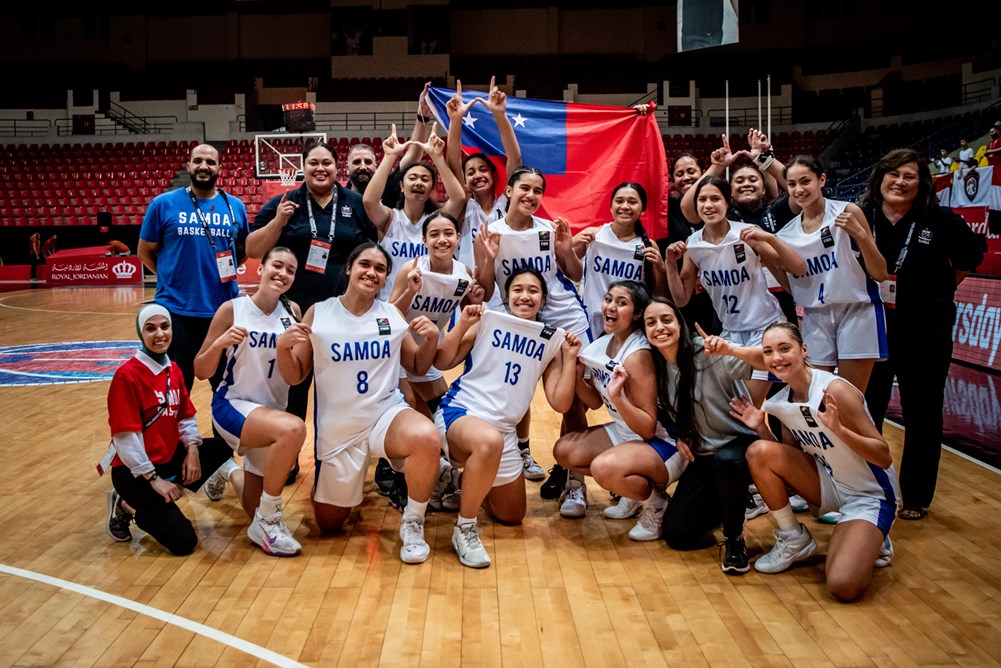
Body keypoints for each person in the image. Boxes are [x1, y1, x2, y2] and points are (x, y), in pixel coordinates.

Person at [275, 243, 442, 564]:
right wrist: (283, 349)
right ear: (349, 268)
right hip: (339, 431)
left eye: (380, 269)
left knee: (427, 437)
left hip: (385, 416)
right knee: (329, 523)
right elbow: (295, 375)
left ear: (385, 279)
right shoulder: (319, 312)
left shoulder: (391, 315)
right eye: (365, 264)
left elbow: (417, 366)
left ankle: (413, 521)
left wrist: (431, 340)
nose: (372, 272)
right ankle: (359, 480)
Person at [708, 321, 898, 601]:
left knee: (842, 586)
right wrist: (760, 428)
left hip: (869, 495)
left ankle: (873, 536)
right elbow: (787, 464)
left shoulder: (834, 391)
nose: (777, 358)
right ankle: (794, 538)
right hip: (829, 487)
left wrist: (840, 430)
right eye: (768, 352)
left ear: (804, 350)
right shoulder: (781, 403)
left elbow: (883, 456)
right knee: (758, 450)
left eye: (785, 348)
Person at [859, 148, 983, 521]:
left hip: (926, 330)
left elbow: (969, 260)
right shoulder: (862, 216)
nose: (900, 182)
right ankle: (867, 490)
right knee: (866, 410)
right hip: (871, 329)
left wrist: (937, 292)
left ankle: (915, 496)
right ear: (880, 178)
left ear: (922, 183)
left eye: (909, 176)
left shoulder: (941, 220)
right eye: (893, 174)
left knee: (923, 413)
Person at [434, 267, 581, 567]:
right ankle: (465, 528)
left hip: (503, 433)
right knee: (488, 442)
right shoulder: (486, 320)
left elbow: (560, 403)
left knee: (512, 515)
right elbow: (442, 361)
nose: (525, 296)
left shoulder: (551, 340)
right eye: (518, 289)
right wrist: (462, 325)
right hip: (461, 413)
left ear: (543, 300)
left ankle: (456, 479)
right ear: (507, 295)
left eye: (533, 291)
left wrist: (570, 360)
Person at [248, 139, 375, 482]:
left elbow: (373, 250)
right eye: (313, 163)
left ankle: (339, 458)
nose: (320, 169)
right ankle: (287, 458)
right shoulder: (285, 203)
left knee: (340, 392)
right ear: (302, 168)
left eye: (326, 163)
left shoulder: (356, 204)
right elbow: (252, 249)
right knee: (294, 388)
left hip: (344, 316)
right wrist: (278, 222)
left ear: (337, 168)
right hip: (295, 314)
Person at [475, 167, 592, 501]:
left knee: (572, 400)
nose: (531, 195)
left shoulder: (548, 230)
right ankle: (516, 454)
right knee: (512, 392)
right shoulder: (489, 232)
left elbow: (574, 273)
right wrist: (489, 260)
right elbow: (485, 290)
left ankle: (573, 479)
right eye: (524, 188)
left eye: (538, 190)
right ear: (509, 191)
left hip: (560, 315)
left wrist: (566, 248)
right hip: (515, 318)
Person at [192, 246, 306, 557]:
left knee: (251, 509)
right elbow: (201, 371)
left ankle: (227, 469)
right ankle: (270, 520)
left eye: (290, 270)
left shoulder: (293, 313)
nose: (282, 274)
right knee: (294, 429)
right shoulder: (232, 309)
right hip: (232, 404)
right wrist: (219, 344)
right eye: (277, 266)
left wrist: (284, 349)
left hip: (270, 415)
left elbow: (295, 377)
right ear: (261, 268)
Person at [553, 281, 688, 540]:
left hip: (664, 442)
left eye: (621, 303)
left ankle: (657, 506)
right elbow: (595, 402)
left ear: (637, 314)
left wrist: (618, 397)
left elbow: (647, 428)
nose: (611, 307)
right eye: (608, 299)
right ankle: (633, 492)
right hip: (627, 432)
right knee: (565, 451)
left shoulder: (637, 354)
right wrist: (578, 375)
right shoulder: (601, 344)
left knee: (604, 469)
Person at [665, 175, 805, 406]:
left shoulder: (746, 234)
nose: (708, 205)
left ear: (727, 202)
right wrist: (670, 264)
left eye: (715, 199)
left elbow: (791, 267)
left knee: (747, 403)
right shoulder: (693, 245)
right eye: (702, 200)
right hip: (731, 333)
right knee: (729, 404)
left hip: (766, 328)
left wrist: (770, 239)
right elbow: (681, 299)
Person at [642, 297, 757, 574]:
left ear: (680, 323)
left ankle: (734, 539)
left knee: (728, 462)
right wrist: (680, 434)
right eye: (651, 323)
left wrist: (732, 349)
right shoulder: (655, 367)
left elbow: (766, 362)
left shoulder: (707, 352)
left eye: (666, 320)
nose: (660, 327)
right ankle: (733, 498)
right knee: (677, 534)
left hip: (738, 445)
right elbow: (669, 411)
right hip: (705, 454)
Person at [105, 305, 233, 555]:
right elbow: (125, 438)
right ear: (141, 333)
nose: (160, 334)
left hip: (166, 459)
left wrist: (193, 450)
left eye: (165, 327)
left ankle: (166, 493)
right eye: (151, 329)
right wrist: (155, 480)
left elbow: (185, 416)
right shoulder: (127, 376)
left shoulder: (172, 368)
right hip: (134, 472)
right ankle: (127, 505)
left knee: (223, 445)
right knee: (184, 543)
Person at [138, 143, 250, 392]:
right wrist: (169, 277)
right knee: (176, 389)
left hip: (223, 312)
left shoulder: (235, 206)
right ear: (189, 166)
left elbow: (243, 251)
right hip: (177, 312)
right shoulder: (163, 204)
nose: (204, 166)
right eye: (198, 161)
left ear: (220, 168)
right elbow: (144, 252)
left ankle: (224, 422)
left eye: (210, 162)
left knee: (228, 390)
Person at [775, 156, 888, 393]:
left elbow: (879, 272)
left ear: (822, 179)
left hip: (856, 309)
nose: (799, 189)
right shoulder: (786, 234)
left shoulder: (848, 212)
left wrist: (862, 236)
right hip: (815, 315)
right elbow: (792, 287)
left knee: (850, 396)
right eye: (792, 184)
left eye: (805, 181)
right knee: (816, 396)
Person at [388, 211, 480, 419]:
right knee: (409, 405)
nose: (442, 239)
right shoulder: (411, 269)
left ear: (458, 237)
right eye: (434, 234)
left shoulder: (464, 273)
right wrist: (410, 291)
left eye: (448, 233)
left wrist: (476, 300)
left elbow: (470, 312)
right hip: (398, 348)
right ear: (424, 240)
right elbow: (389, 315)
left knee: (441, 408)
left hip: (427, 349)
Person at [363, 122, 467, 299]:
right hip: (390, 304)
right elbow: (369, 201)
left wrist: (437, 157)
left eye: (425, 179)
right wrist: (389, 156)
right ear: (402, 186)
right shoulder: (390, 218)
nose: (419, 182)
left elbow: (459, 198)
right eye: (413, 178)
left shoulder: (436, 222)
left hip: (429, 304)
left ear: (431, 188)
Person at [445, 77, 523, 272]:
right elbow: (453, 163)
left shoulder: (507, 203)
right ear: (465, 182)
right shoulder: (463, 206)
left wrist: (499, 115)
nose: (478, 175)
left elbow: (515, 159)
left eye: (483, 169)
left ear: (493, 175)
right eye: (470, 172)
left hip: (506, 283)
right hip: (469, 285)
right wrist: (456, 120)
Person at [573, 182, 668, 340]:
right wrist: (570, 243)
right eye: (619, 201)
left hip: (628, 328)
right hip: (591, 322)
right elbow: (566, 270)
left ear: (643, 209)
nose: (625, 206)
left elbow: (661, 296)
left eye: (632, 202)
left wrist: (661, 268)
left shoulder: (648, 246)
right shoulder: (593, 236)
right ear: (611, 207)